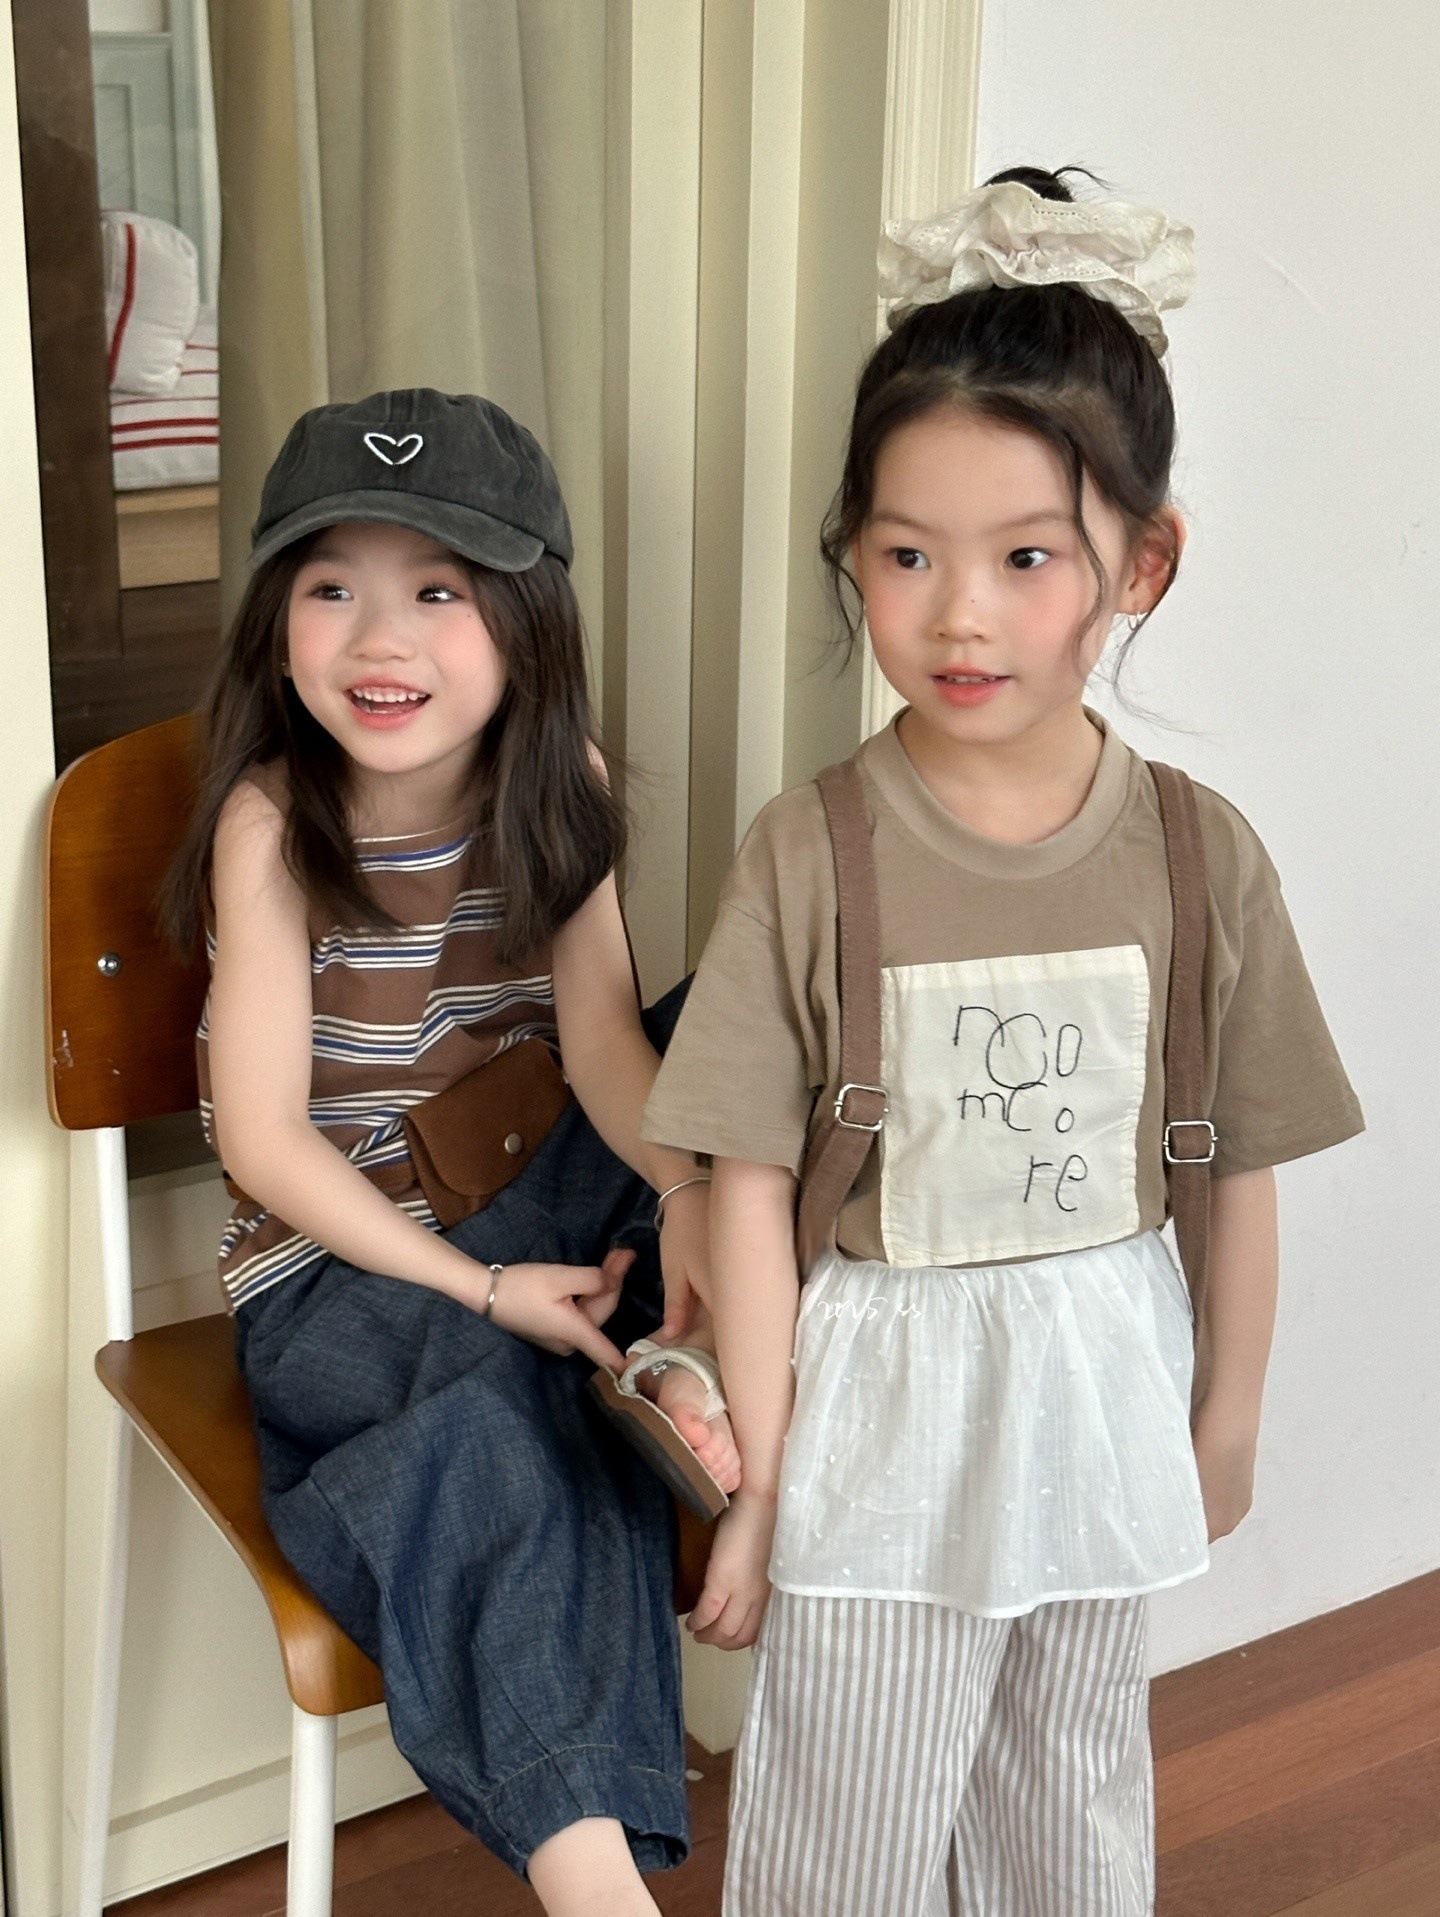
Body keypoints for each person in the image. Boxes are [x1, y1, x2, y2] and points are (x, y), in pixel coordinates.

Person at [641, 169, 1365, 1915]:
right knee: (850, 1814)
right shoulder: (810, 851)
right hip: (877, 1399)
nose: (959, 613)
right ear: (854, 554)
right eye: (907, 556)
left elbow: (1233, 1164)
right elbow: (748, 1192)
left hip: (1102, 1378)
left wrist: (1230, 1413)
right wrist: (767, 1476)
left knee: (1072, 1790)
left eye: (1026, 557)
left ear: (1143, 561)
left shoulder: (1198, 851)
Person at [163, 388, 738, 1917]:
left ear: (526, 621)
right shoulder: (272, 824)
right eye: (331, 586)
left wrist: (683, 1189)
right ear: (276, 621)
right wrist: (482, 1292)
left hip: (535, 1170)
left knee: (755, 1041)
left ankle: (694, 1348)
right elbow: (267, 1142)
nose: (381, 638)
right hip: (340, 1255)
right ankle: (598, 1886)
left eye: (438, 591)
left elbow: (605, 1044)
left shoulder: (563, 784)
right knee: (498, 1440)